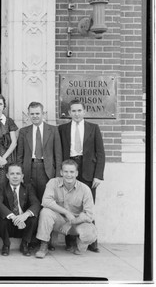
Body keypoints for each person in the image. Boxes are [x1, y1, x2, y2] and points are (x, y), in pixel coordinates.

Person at [58, 98, 105, 253]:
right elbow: (60, 152)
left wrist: (98, 175)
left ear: (84, 111)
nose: (77, 114)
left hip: (88, 171)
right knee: (69, 205)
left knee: (87, 206)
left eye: (79, 110)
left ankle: (92, 240)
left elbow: (100, 153)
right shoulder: (63, 129)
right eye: (74, 111)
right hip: (69, 169)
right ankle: (70, 241)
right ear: (69, 112)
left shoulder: (93, 128)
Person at [35, 160, 97, 258]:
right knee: (45, 212)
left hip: (76, 223)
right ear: (61, 172)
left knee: (90, 233)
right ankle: (44, 245)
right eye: (66, 172)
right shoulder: (53, 182)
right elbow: (46, 201)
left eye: (72, 172)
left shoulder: (85, 189)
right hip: (59, 221)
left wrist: (71, 222)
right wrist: (66, 212)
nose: (69, 175)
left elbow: (89, 215)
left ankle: (80, 245)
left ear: (76, 173)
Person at [16, 102, 62, 201]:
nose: (35, 116)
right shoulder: (23, 131)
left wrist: (58, 176)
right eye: (32, 114)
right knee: (29, 199)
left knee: (46, 199)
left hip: (46, 170)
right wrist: (19, 174)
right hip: (29, 169)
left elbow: (58, 155)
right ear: (28, 115)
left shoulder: (53, 130)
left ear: (43, 114)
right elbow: (19, 156)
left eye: (37, 113)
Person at [0, 163, 40, 256]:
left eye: (18, 174)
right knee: (0, 218)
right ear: (7, 175)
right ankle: (6, 244)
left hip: (24, 224)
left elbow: (36, 204)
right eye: (12, 174)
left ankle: (24, 244)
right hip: (9, 223)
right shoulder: (1, 187)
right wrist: (13, 217)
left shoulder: (28, 187)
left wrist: (25, 215)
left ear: (22, 175)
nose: (15, 177)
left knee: (33, 218)